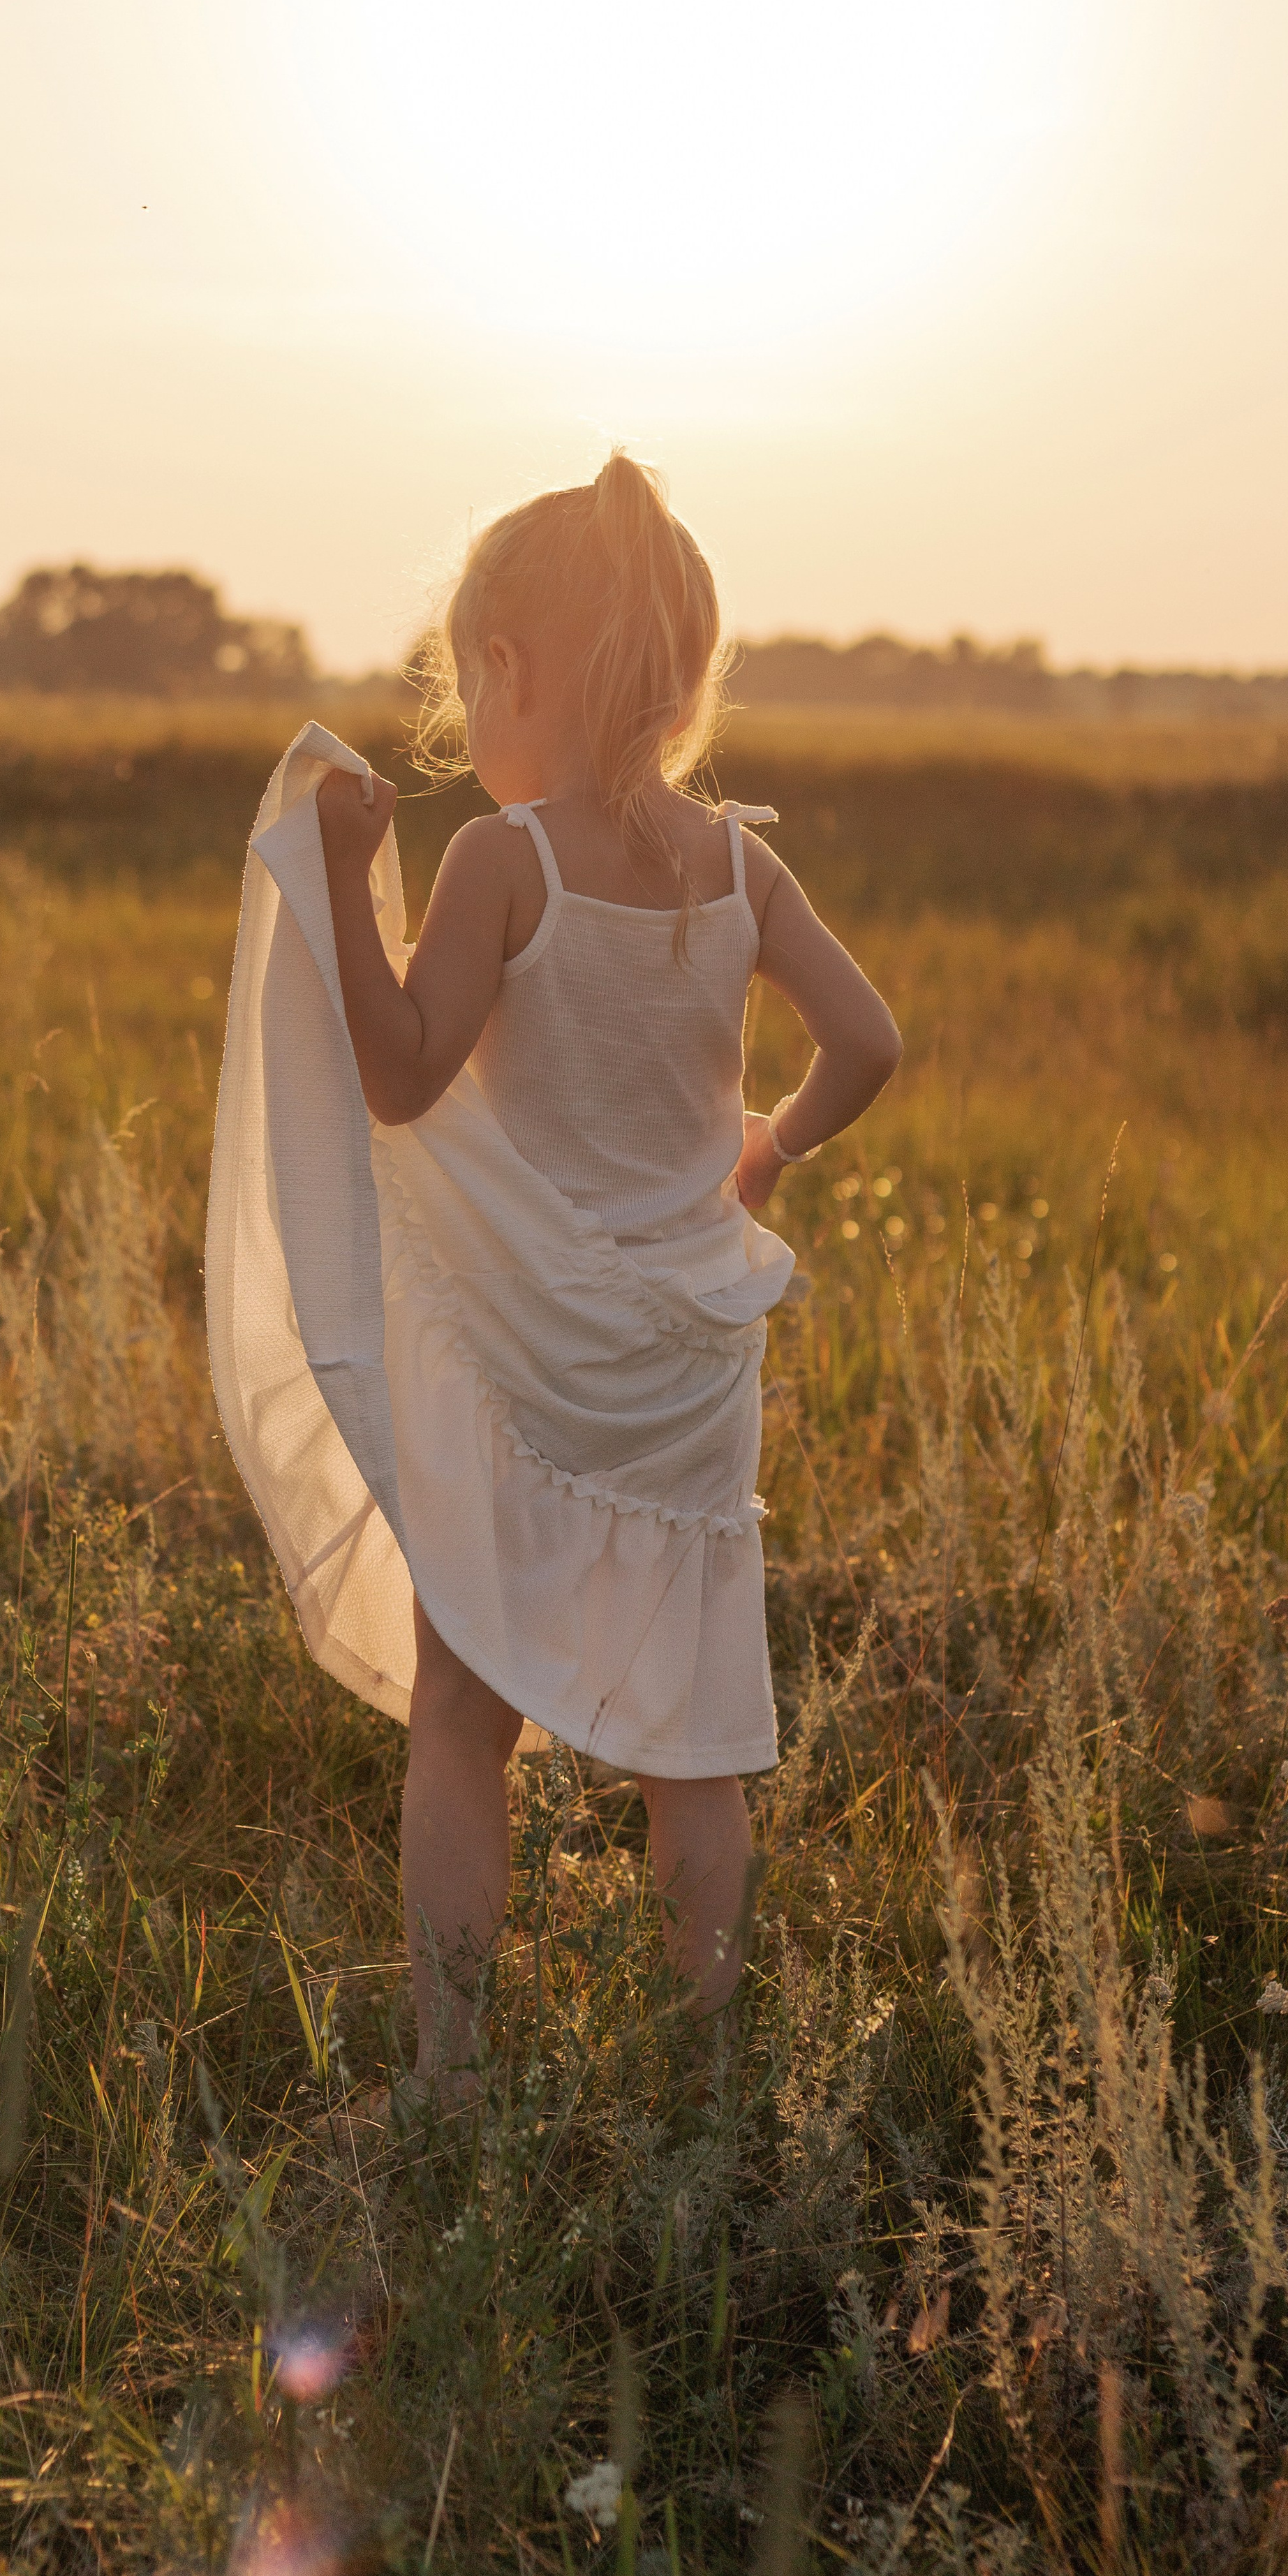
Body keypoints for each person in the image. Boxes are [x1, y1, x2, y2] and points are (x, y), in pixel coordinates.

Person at [216, 453, 900, 2108]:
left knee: (463, 1712)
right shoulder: (743, 866)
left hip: (531, 1356)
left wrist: (337, 884)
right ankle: (702, 2080)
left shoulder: (498, 863)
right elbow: (868, 1044)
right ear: (676, 682)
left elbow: (394, 1078)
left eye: (468, 683)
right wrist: (766, 1150)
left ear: (514, 671)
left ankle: (449, 2079)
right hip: (684, 1362)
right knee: (696, 1743)